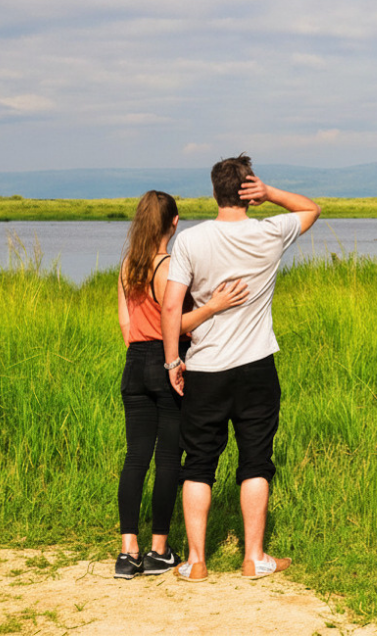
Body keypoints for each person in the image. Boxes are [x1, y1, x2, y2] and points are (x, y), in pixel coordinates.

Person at [161, 155, 320, 582]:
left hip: (206, 368)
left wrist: (173, 359)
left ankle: (196, 562)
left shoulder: (191, 242)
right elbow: (311, 209)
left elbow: (173, 305)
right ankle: (254, 557)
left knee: (198, 463)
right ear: (248, 191)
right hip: (256, 368)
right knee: (256, 461)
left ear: (215, 192)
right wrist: (271, 194)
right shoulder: (269, 231)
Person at [115, 190, 249, 579]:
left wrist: (141, 351)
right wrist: (212, 307)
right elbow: (173, 323)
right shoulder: (168, 266)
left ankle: (128, 553)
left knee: (135, 457)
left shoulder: (127, 265)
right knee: (170, 458)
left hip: (134, 363)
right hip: (165, 362)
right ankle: (159, 549)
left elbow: (126, 325)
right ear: (174, 223)